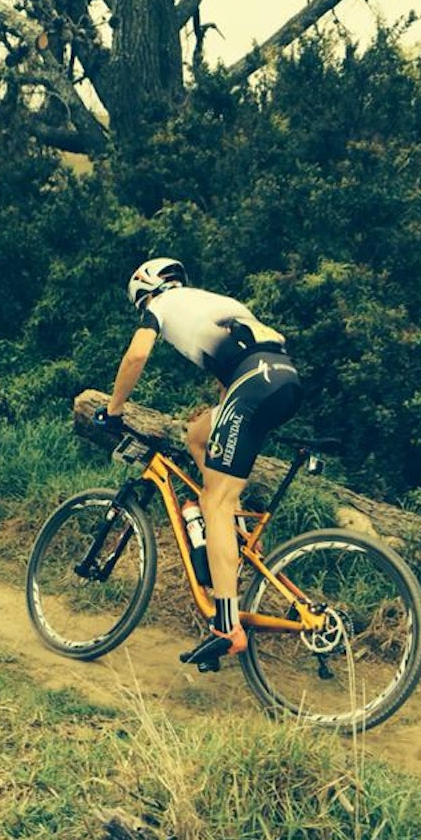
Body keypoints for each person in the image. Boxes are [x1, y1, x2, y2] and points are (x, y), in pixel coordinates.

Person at [97, 257, 304, 669]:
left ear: (145, 292)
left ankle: (226, 626)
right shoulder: (214, 301)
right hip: (285, 378)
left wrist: (114, 410)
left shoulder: (161, 306)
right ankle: (235, 533)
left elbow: (136, 356)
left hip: (253, 383)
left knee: (215, 501)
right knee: (197, 435)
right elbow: (233, 378)